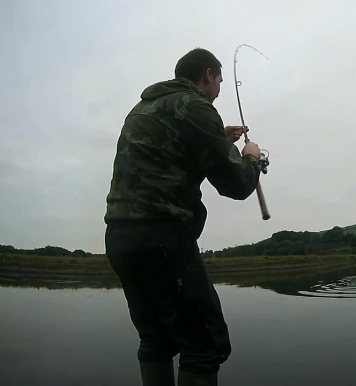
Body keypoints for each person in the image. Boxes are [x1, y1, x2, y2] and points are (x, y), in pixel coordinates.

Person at [104, 48, 262, 386]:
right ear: (207, 74)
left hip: (120, 238)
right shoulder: (196, 106)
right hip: (162, 237)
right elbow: (236, 184)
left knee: (157, 338)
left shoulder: (142, 109)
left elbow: (170, 159)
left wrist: (219, 141)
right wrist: (253, 159)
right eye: (219, 81)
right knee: (205, 343)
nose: (219, 90)